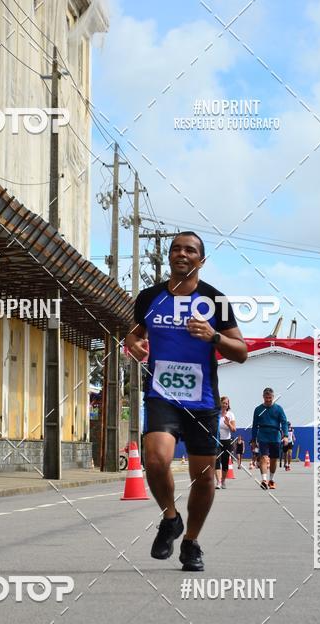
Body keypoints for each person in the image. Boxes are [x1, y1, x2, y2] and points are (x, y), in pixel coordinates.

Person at [124, 231, 247, 571]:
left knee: (204, 477)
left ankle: (191, 541)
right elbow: (134, 334)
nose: (182, 253)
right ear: (169, 257)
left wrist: (214, 336)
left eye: (190, 250)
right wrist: (132, 344)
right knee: (155, 459)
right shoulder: (150, 297)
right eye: (176, 248)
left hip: (202, 401)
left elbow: (241, 352)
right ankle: (170, 518)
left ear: (201, 260)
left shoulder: (216, 301)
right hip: (161, 395)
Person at [250, 388, 289, 490]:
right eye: (266, 397)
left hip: (275, 436)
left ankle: (271, 480)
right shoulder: (258, 409)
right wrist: (253, 440)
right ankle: (264, 480)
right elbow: (254, 425)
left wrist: (285, 436)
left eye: (270, 398)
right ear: (263, 397)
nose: (268, 400)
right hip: (263, 435)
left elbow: (284, 422)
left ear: (273, 397)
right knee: (263, 457)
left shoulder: (278, 409)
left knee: (273, 459)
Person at [215, 396, 236, 489]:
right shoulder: (216, 414)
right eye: (223, 403)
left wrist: (228, 424)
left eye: (226, 403)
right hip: (217, 440)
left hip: (227, 441)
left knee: (225, 462)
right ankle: (218, 482)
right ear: (220, 403)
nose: (225, 405)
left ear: (228, 405)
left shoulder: (230, 415)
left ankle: (223, 481)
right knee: (216, 460)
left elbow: (234, 429)